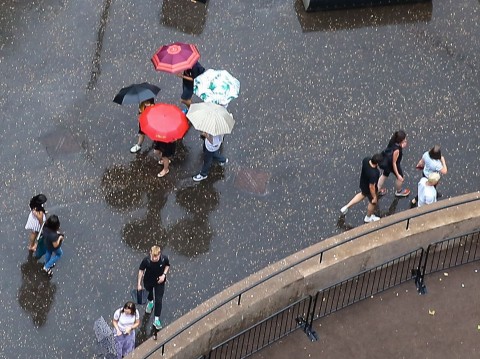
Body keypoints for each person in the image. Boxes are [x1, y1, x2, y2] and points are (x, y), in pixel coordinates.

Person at [340, 153, 383, 223]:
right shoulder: (374, 173)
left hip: (363, 183)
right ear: (377, 163)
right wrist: (374, 197)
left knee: (362, 194)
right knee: (373, 203)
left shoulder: (366, 160)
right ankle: (368, 217)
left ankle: (346, 207)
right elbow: (371, 186)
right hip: (369, 189)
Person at [137, 245, 170, 330]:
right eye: (153, 256)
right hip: (148, 280)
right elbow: (141, 270)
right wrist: (139, 284)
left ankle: (156, 319)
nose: (155, 258)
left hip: (160, 281)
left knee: (159, 299)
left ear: (160, 254)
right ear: (150, 253)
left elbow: (167, 265)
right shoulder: (146, 261)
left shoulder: (163, 259)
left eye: (157, 256)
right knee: (149, 294)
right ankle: (151, 302)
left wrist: (164, 275)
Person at [377, 130, 410, 197]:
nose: (405, 139)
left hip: (386, 161)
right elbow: (394, 163)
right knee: (400, 177)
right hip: (392, 164)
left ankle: (377, 190)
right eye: (404, 139)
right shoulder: (397, 150)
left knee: (384, 175)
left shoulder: (393, 140)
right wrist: (398, 175)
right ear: (400, 141)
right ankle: (399, 191)